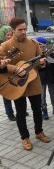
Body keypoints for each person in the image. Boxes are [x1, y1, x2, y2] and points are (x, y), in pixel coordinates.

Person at [0, 17, 50, 150]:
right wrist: (15, 68)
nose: (23, 32)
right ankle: (25, 138)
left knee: (37, 110)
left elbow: (39, 62)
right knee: (21, 113)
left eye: (24, 29)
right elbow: (1, 65)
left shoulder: (33, 43)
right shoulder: (5, 46)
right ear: (13, 30)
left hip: (33, 82)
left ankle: (39, 132)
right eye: (20, 30)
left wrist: (42, 63)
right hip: (15, 85)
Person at [36, 37, 54, 120]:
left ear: (45, 46)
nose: (41, 48)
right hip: (41, 78)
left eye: (42, 46)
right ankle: (44, 110)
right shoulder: (36, 54)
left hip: (50, 77)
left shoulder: (51, 53)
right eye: (39, 46)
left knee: (53, 93)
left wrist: (49, 63)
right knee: (42, 95)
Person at [0, 25, 16, 121]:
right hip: (2, 73)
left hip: (12, 71)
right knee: (6, 94)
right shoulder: (1, 46)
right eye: (7, 35)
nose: (9, 36)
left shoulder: (12, 44)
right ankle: (10, 113)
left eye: (11, 34)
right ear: (3, 35)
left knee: (16, 91)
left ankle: (20, 110)